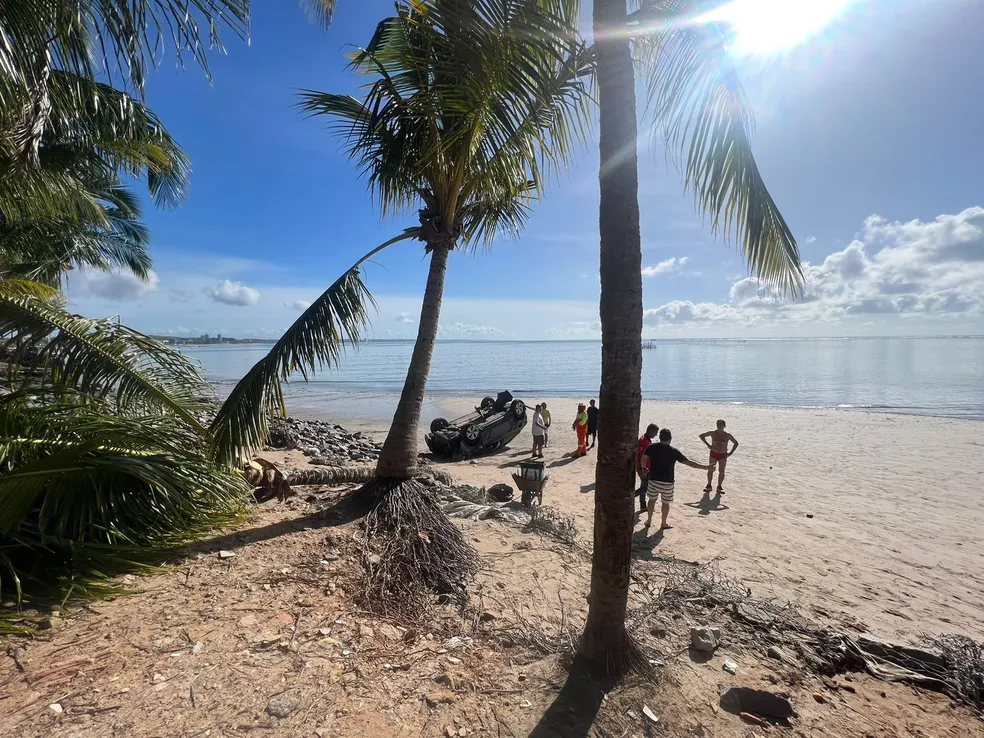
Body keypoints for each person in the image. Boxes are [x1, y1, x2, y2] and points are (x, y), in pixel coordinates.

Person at [642, 428, 713, 531]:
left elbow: (643, 459)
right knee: (665, 503)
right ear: (670, 439)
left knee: (651, 500)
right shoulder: (674, 451)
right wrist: (706, 467)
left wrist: (644, 467)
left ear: (660, 437)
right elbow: (689, 463)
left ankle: (648, 520)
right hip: (668, 482)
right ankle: (663, 523)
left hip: (653, 479)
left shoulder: (651, 447)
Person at [699, 419, 738, 494]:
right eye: (718, 424)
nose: (719, 426)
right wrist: (708, 445)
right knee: (710, 469)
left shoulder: (727, 435)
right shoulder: (713, 433)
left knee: (721, 471)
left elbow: (736, 443)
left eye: (721, 425)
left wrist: (730, 453)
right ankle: (709, 485)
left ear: (724, 426)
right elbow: (701, 436)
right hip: (713, 453)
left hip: (723, 455)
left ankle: (719, 487)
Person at [636, 423, 659, 513]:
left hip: (646, 468)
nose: (656, 435)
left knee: (643, 487)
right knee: (644, 488)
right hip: (644, 469)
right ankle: (630, 496)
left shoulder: (647, 440)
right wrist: (640, 469)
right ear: (651, 431)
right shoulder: (643, 441)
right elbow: (639, 456)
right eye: (655, 432)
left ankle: (643, 506)